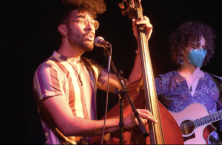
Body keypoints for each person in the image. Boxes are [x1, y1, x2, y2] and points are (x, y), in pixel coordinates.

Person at [33, 0, 156, 144]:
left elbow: (130, 87)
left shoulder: (91, 68)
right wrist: (122, 122)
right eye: (82, 21)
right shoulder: (48, 70)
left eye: (93, 22)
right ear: (63, 29)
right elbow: (67, 125)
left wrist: (142, 42)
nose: (90, 27)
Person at [155, 21, 222, 144]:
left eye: (203, 48)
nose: (200, 52)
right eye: (195, 46)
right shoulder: (165, 82)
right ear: (181, 48)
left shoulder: (217, 84)